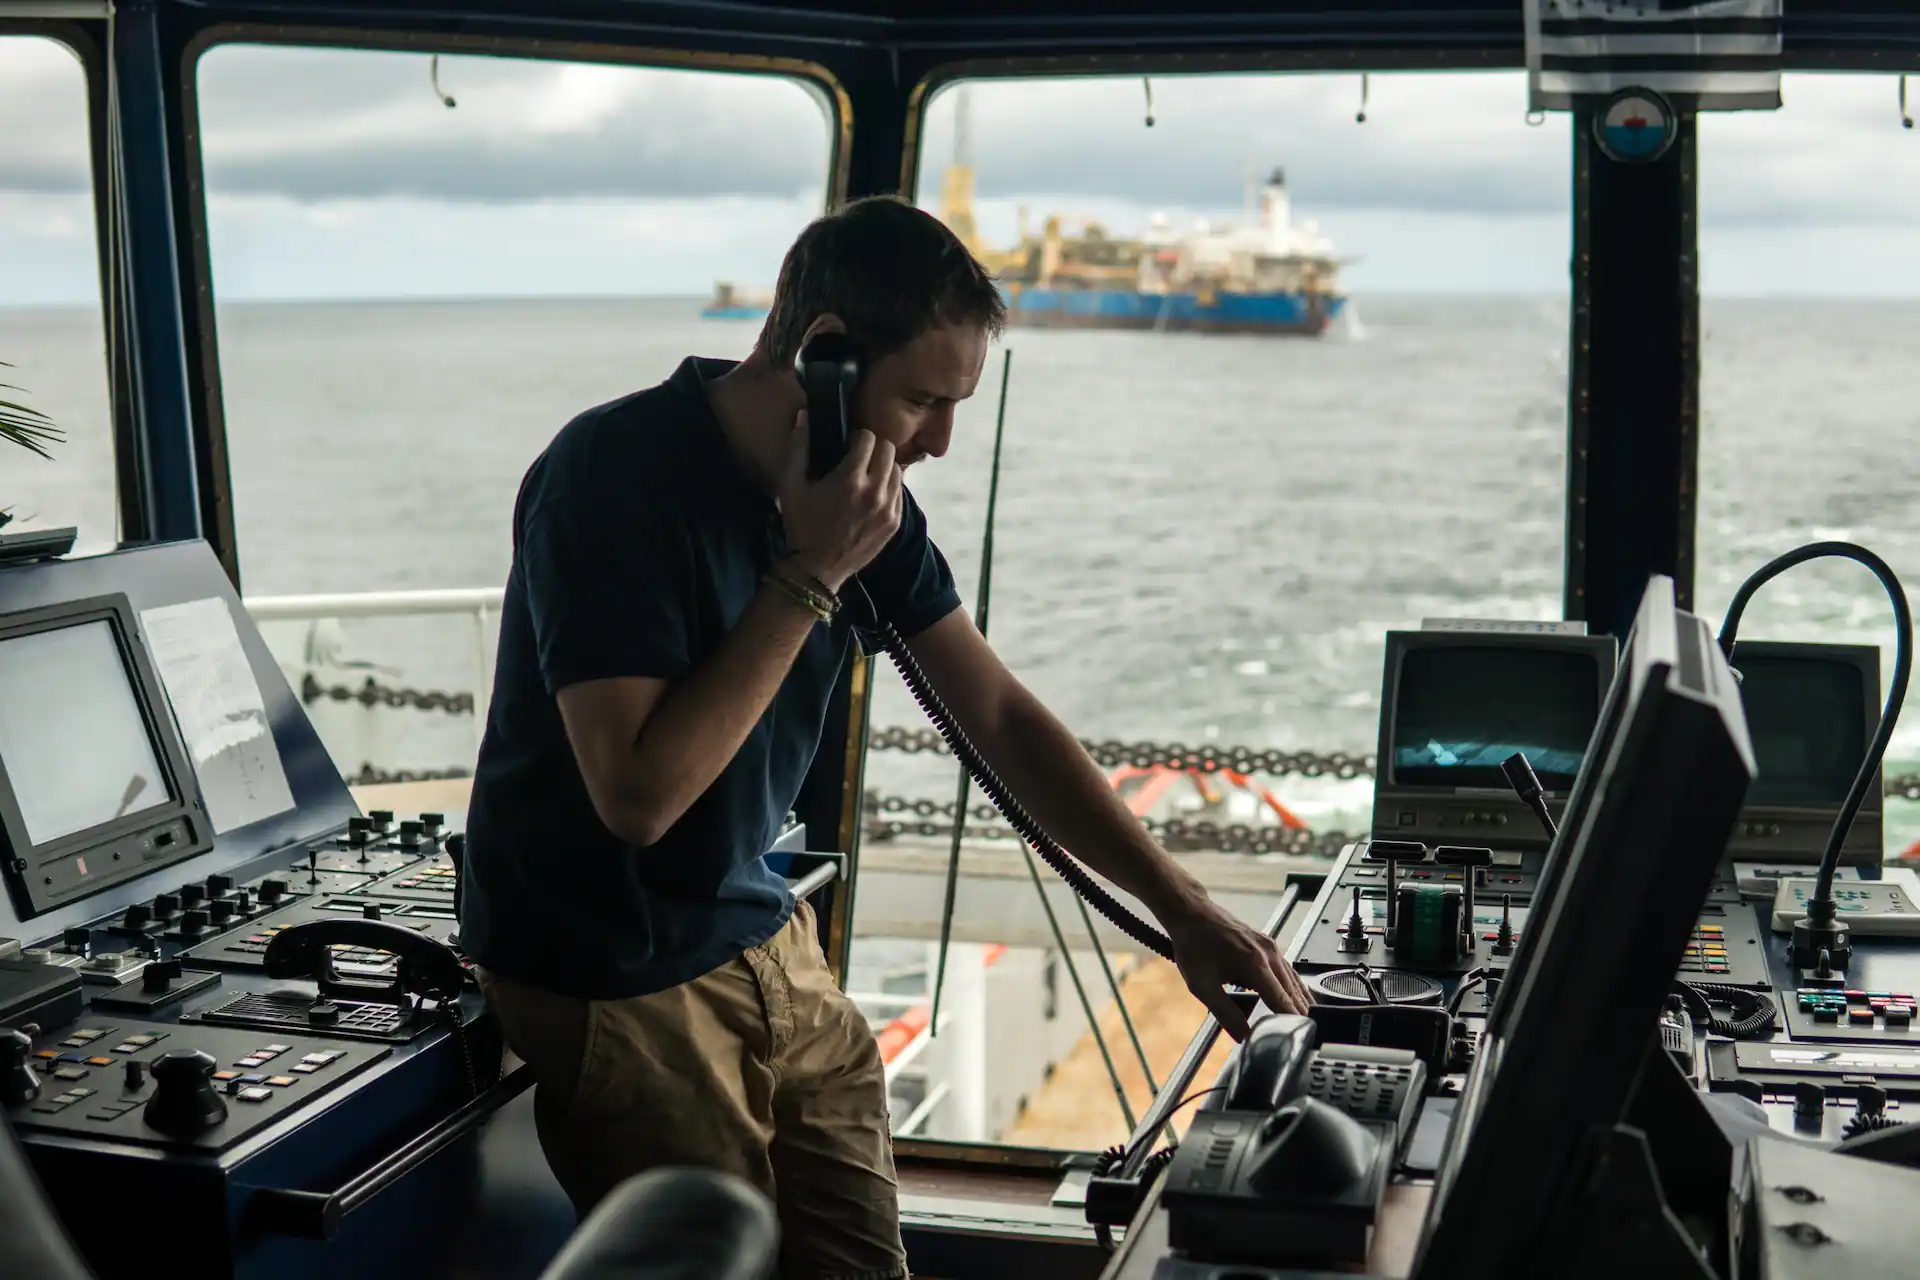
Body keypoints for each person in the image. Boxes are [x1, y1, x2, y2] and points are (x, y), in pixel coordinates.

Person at [458, 194, 1312, 1280]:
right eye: (922, 399)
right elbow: (638, 794)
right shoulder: (611, 477)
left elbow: (997, 711)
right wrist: (810, 572)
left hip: (755, 928)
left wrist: (1182, 908)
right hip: (611, 970)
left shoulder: (866, 497)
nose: (942, 443)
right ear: (823, 356)